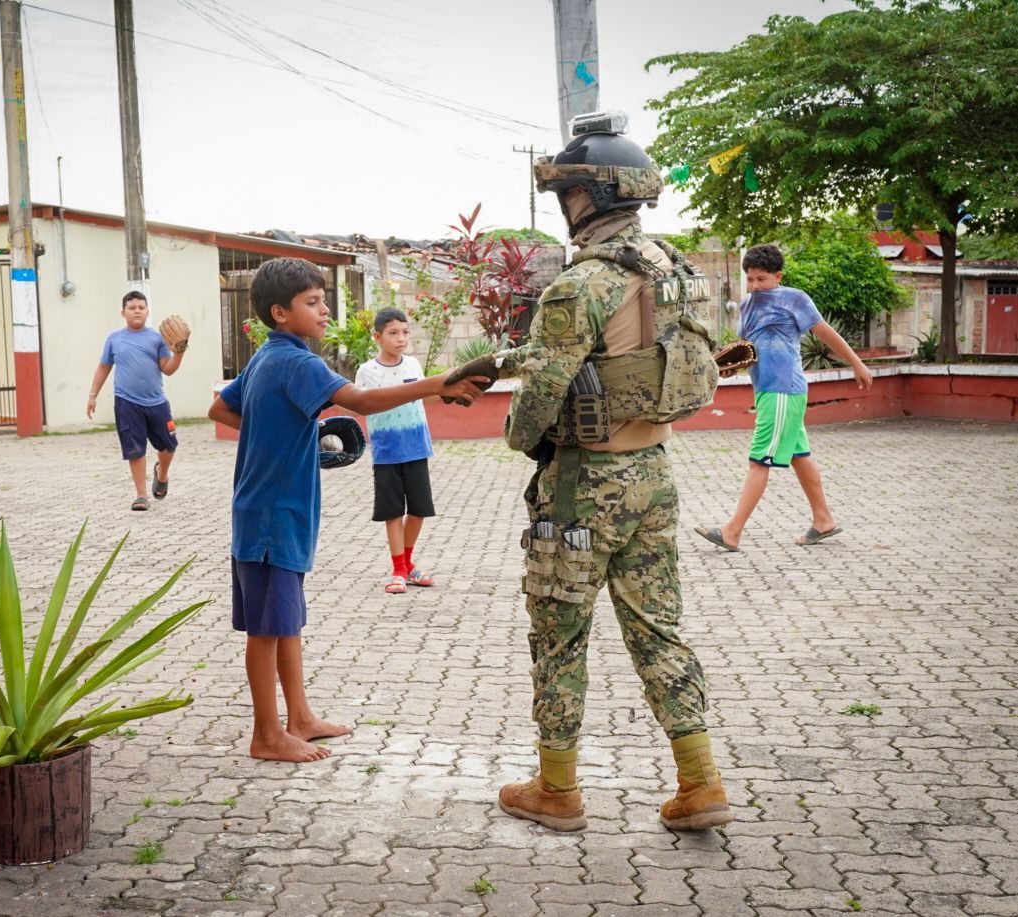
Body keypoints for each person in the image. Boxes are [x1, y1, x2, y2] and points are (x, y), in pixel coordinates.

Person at [448, 111, 731, 832]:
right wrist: (507, 360)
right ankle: (700, 782)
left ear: (591, 196)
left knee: (559, 638)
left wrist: (518, 432)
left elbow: (543, 399)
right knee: (658, 630)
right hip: (651, 474)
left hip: (582, 488)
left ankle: (556, 788)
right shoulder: (669, 266)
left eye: (568, 192)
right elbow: (622, 356)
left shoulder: (583, 284)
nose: (564, 205)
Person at [208, 258, 486, 763]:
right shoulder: (297, 362)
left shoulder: (268, 356)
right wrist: (435, 383)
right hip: (273, 513)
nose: (323, 309)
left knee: (285, 619)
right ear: (279, 312)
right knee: (266, 629)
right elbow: (358, 400)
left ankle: (301, 718)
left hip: (274, 508)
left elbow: (221, 409)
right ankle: (266, 734)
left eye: (323, 299)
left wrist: (286, 436)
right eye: (311, 302)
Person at [694, 243, 873, 552]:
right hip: (766, 389)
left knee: (759, 459)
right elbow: (747, 348)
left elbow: (824, 332)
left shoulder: (795, 299)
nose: (754, 285)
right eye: (749, 279)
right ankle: (824, 520)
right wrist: (730, 368)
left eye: (761, 279)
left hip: (783, 389)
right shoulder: (748, 304)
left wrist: (856, 362)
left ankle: (732, 531)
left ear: (778, 275)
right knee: (798, 455)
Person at [354, 308, 436, 594]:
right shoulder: (367, 372)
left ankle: (408, 563)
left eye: (405, 332)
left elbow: (424, 396)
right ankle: (398, 569)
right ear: (378, 336)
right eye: (392, 333)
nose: (400, 338)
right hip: (386, 452)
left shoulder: (413, 365)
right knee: (392, 513)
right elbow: (363, 405)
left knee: (419, 511)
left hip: (417, 449)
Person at [87, 291, 185, 511]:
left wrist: (179, 353)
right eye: (132, 308)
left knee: (169, 446)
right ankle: (141, 495)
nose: (137, 311)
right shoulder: (114, 339)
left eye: (141, 307)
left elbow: (167, 369)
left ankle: (162, 473)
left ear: (147, 311)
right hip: (126, 402)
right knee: (135, 449)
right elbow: (103, 367)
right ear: (123, 313)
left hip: (156, 402)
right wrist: (92, 395)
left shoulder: (157, 338)